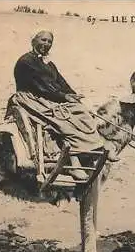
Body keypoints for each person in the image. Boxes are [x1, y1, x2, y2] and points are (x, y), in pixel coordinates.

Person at [12, 30, 117, 180]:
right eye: (43, 40)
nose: (46, 44)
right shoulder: (26, 61)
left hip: (48, 96)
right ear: (33, 41)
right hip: (31, 98)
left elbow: (61, 82)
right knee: (62, 119)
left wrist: (73, 95)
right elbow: (40, 86)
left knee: (80, 110)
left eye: (49, 42)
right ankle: (73, 162)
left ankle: (100, 146)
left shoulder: (48, 63)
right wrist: (63, 97)